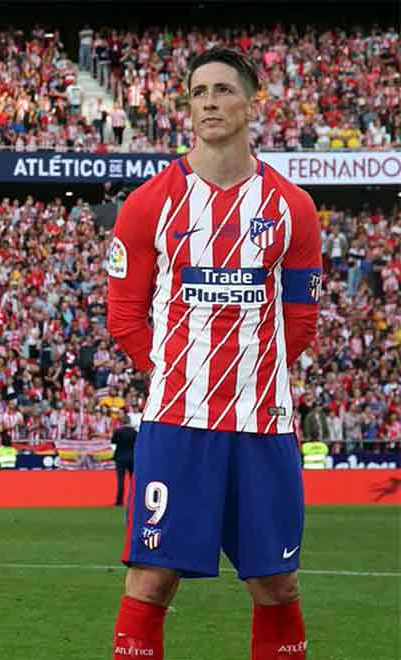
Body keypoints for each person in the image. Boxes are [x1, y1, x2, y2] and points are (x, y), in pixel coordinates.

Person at [105, 49, 320, 660]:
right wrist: (180, 375)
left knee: (277, 584)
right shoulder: (149, 203)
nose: (209, 103)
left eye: (223, 90)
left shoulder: (292, 207)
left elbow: (301, 320)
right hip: (176, 422)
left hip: (262, 425)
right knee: (152, 579)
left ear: (252, 103)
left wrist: (251, 376)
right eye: (199, 92)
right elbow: (124, 318)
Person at [111, 423, 136, 506]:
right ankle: (134, 500)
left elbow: (113, 441)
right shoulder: (134, 432)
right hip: (132, 457)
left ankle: (119, 501)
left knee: (120, 480)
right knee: (133, 480)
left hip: (120, 457)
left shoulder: (118, 431)